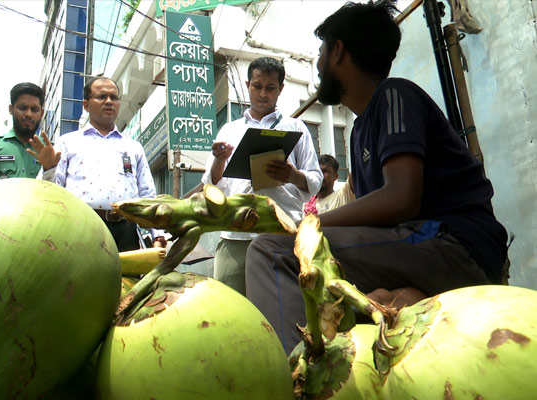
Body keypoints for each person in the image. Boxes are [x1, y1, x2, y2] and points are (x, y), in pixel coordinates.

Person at [245, 0, 508, 353]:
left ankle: (295, 378)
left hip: (454, 245)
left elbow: (401, 198)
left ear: (338, 51)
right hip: (416, 248)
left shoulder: (393, 95)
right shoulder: (358, 131)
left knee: (272, 252)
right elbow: (375, 231)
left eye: (322, 53)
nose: (319, 64)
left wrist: (310, 225)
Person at [201, 57, 322, 295]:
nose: (263, 94)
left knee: (283, 306)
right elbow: (211, 184)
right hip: (236, 234)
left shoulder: (296, 128)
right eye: (257, 86)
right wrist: (219, 158)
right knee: (231, 307)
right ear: (248, 85)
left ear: (281, 89)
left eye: (270, 88)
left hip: (282, 233)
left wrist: (293, 175)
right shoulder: (230, 130)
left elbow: (315, 180)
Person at [32, 77, 165, 251]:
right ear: (86, 105)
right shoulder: (67, 143)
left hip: (126, 231)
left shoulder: (133, 147)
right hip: (81, 228)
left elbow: (148, 195)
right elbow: (52, 196)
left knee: (127, 279)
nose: (109, 102)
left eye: (114, 97)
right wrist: (49, 168)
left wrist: (158, 235)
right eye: (101, 96)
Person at [0, 82, 52, 188]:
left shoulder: (51, 150)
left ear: (41, 113)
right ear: (11, 109)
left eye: (34, 109)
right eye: (22, 108)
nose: (28, 114)